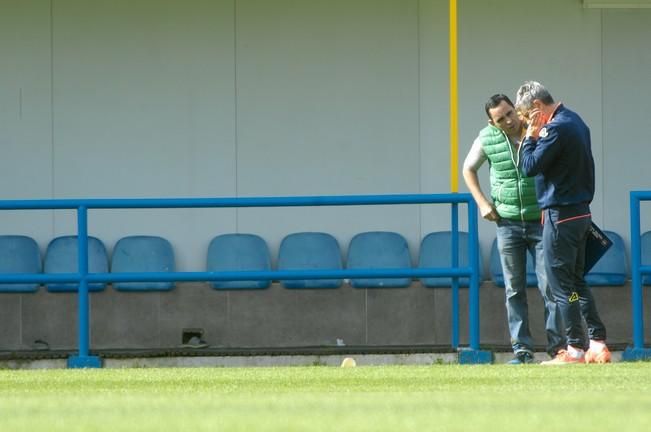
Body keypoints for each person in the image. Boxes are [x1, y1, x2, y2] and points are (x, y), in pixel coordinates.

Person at [462, 94, 565, 364]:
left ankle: (559, 349)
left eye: (509, 113)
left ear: (515, 110)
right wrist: (482, 203)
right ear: (491, 122)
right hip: (506, 223)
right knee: (514, 289)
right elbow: (468, 169)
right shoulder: (486, 138)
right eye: (500, 118)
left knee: (550, 287)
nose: (508, 120)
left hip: (541, 219)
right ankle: (522, 350)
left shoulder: (539, 128)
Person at [516, 81, 611, 364]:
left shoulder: (553, 128)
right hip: (581, 213)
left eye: (524, 117)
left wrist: (530, 137)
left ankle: (574, 348)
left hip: (561, 215)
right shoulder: (577, 121)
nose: (524, 123)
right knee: (577, 283)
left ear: (536, 108)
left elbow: (528, 167)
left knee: (563, 289)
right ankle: (597, 342)